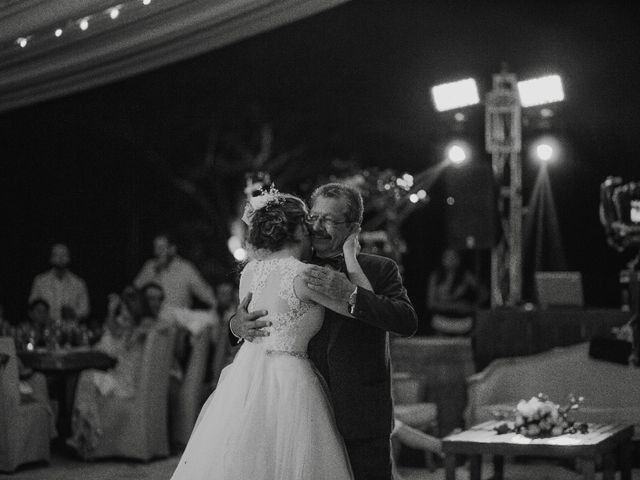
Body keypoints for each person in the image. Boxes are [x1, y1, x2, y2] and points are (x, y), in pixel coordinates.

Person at [171, 190, 373, 480]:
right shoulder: (304, 276)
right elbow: (366, 306)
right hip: (289, 379)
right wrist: (351, 258)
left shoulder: (250, 271)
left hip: (245, 375)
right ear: (299, 231)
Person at [230, 182, 418, 480]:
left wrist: (352, 293)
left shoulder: (380, 269)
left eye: (328, 220)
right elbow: (257, 312)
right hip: (297, 410)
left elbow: (406, 321)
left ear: (353, 227)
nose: (316, 226)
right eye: (313, 217)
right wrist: (235, 325)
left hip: (359, 411)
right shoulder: (292, 265)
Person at [68, 285, 170, 458]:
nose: (122, 315)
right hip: (125, 378)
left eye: (124, 310)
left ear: (134, 310)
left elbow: (160, 327)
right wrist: (112, 313)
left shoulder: (144, 326)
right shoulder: (135, 327)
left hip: (126, 383)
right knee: (88, 378)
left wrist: (135, 331)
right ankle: (86, 433)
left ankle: (86, 435)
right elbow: (114, 332)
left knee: (86, 377)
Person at [134, 233, 216, 309]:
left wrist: (219, 307)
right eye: (155, 248)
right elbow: (135, 290)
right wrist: (155, 271)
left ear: (172, 249)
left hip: (177, 320)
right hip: (153, 320)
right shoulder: (150, 266)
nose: (156, 252)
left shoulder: (186, 268)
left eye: (161, 248)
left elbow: (204, 292)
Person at [29, 243, 90, 323]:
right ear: (51, 258)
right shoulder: (40, 281)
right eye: (57, 255)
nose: (60, 258)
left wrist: (74, 313)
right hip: (46, 327)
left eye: (64, 255)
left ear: (69, 258)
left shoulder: (78, 283)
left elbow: (85, 309)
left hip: (70, 329)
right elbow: (32, 304)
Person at [426, 248, 480, 336]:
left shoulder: (466, 276)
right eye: (447, 257)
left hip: (464, 322)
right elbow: (431, 303)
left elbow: (483, 293)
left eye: (454, 257)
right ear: (442, 259)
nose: (451, 260)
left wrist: (472, 307)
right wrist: (455, 306)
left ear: (459, 260)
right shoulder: (435, 277)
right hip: (441, 321)